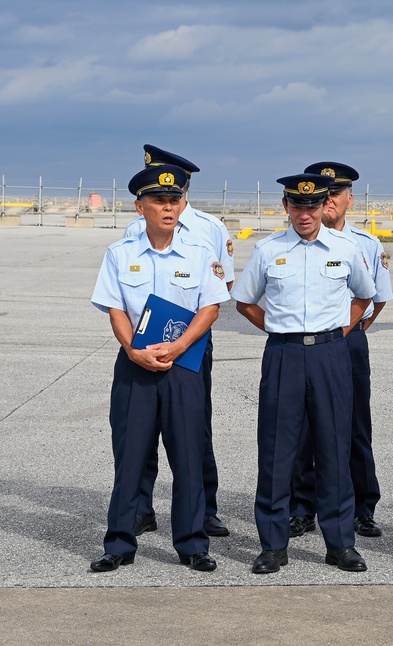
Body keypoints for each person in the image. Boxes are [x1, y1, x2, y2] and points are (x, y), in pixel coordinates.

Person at [231, 172, 376, 574]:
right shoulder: (267, 249)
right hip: (285, 355)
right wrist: (277, 328)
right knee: (278, 452)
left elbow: (365, 295)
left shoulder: (346, 248)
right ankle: (273, 546)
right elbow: (244, 301)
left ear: (323, 205)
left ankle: (340, 544)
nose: (305, 214)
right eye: (297, 206)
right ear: (286, 207)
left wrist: (340, 331)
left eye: (312, 206)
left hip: (331, 355)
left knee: (334, 449)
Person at [90, 164, 229, 572]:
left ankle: (192, 545)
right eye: (158, 201)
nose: (168, 208)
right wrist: (133, 350)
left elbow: (210, 307)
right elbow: (115, 308)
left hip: (183, 366)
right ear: (140, 206)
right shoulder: (120, 254)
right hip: (135, 366)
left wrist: (181, 344)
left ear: (183, 204)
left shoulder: (201, 254)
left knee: (188, 456)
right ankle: (118, 544)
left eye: (174, 200)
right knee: (130, 457)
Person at [125, 144, 235, 539]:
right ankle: (140, 508)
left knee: (194, 429)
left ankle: (203, 510)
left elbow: (222, 286)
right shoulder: (135, 227)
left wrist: (185, 339)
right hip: (143, 349)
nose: (166, 199)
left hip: (190, 346)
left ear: (185, 187)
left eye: (174, 189)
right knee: (140, 432)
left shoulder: (210, 229)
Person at [288, 161, 393, 539]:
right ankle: (301, 507)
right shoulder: (291, 242)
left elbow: (377, 297)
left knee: (354, 425)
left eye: (335, 193)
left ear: (349, 198)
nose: (328, 200)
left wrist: (347, 328)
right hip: (302, 344)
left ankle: (363, 507)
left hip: (347, 342)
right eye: (322, 194)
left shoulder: (365, 244)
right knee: (301, 428)